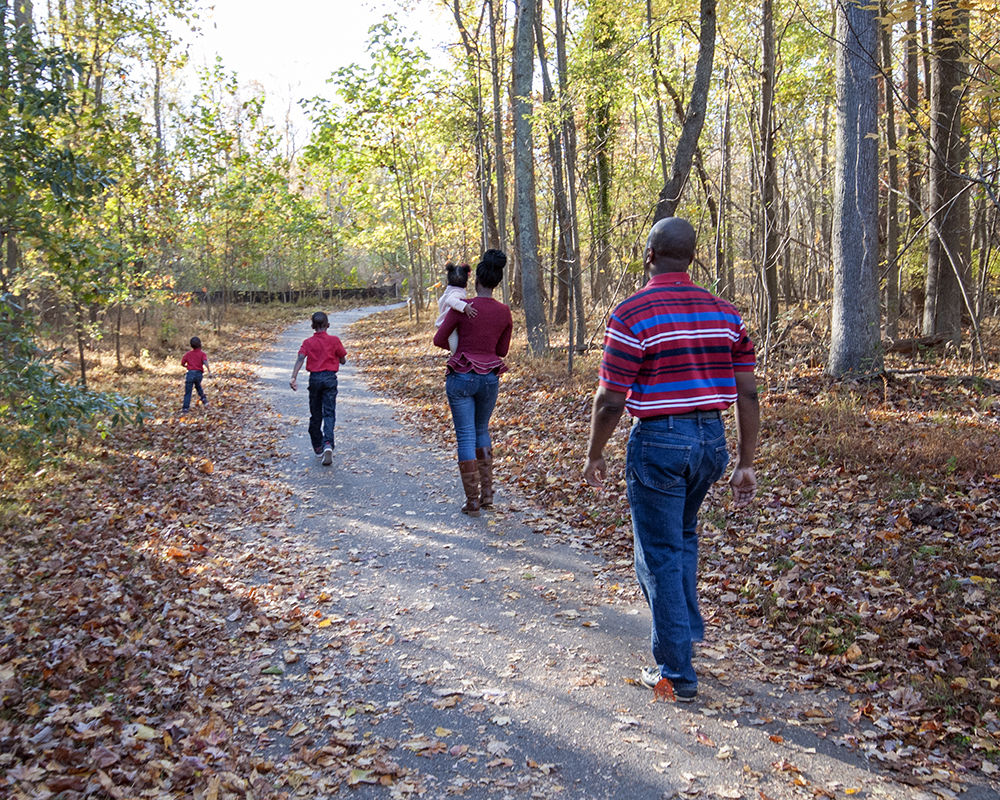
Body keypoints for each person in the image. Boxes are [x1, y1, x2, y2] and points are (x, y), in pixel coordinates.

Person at [583, 217, 759, 703]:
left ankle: (676, 673)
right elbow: (748, 394)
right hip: (712, 441)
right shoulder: (726, 314)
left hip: (660, 441)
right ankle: (686, 635)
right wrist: (746, 461)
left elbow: (610, 400)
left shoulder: (633, 313)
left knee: (657, 554)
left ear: (649, 255)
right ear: (693, 256)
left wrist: (595, 453)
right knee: (681, 536)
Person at [433, 249, 512, 517]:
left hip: (461, 375)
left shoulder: (463, 307)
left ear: (475, 280)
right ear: (496, 282)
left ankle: (472, 501)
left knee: (465, 435)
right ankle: (488, 495)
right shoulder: (504, 312)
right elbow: (502, 350)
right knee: (481, 430)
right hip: (490, 377)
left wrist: (458, 346)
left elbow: (438, 339)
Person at [290, 312, 347, 466]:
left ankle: (318, 446)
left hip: (314, 379)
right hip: (330, 379)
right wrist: (339, 358)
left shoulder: (308, 342)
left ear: (312, 327)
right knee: (329, 412)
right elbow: (342, 359)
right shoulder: (334, 340)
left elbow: (300, 358)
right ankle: (328, 443)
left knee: (315, 413)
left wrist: (293, 377)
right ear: (328, 325)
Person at [436, 262, 478, 353]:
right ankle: (457, 356)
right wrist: (465, 307)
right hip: (450, 324)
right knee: (454, 344)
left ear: (448, 281)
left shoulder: (448, 291)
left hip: (446, 322)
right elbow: (450, 300)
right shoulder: (457, 293)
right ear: (466, 284)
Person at [181, 336, 212, 412]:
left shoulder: (188, 354)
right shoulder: (202, 354)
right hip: (198, 374)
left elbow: (182, 363)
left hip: (190, 374)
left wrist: (187, 366)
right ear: (200, 344)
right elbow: (205, 362)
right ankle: (203, 399)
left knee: (188, 391)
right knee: (198, 386)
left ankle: (185, 408)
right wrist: (209, 371)